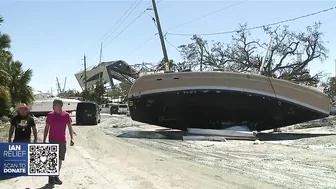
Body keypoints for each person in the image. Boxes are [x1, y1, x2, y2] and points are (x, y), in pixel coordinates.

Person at [43, 99, 74, 185]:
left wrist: (72, 138)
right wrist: (44, 140)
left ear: (60, 106)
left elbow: (70, 127)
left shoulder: (66, 115)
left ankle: (56, 175)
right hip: (52, 140)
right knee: (52, 158)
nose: (53, 107)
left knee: (60, 159)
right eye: (53, 105)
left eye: (55, 105)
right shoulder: (50, 115)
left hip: (62, 140)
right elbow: (46, 128)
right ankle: (51, 177)